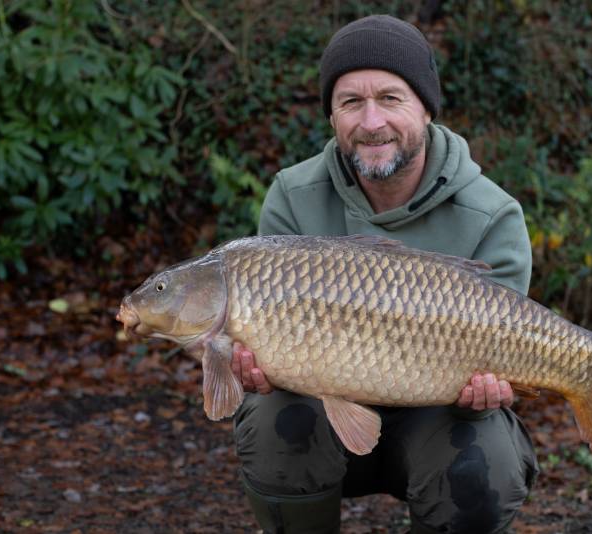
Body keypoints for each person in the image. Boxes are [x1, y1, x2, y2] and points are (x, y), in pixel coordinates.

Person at [230, 14, 539, 534]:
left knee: (488, 459)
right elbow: (261, 336)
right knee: (270, 421)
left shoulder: (493, 215)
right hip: (323, 419)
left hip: (439, 422)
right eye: (351, 102)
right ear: (332, 115)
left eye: (391, 98)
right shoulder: (292, 195)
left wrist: (498, 384)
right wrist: (257, 364)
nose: (371, 121)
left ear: (425, 108)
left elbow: (508, 347)